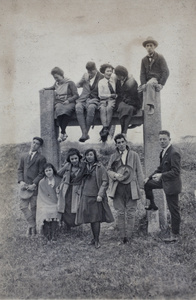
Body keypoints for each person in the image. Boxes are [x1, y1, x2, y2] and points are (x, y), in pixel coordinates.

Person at [144, 130, 182, 242]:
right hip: (164, 182)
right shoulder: (163, 152)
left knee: (173, 210)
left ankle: (175, 235)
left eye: (164, 139)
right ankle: (152, 205)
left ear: (169, 139)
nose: (162, 141)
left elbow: (176, 172)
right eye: (160, 139)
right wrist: (149, 177)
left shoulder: (174, 152)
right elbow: (160, 168)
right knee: (147, 184)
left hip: (172, 185)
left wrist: (161, 175)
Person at [107, 134, 144, 245]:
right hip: (118, 188)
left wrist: (141, 187)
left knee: (131, 213)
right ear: (116, 144)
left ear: (126, 142)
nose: (121, 144)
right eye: (118, 143)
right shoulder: (113, 157)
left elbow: (139, 172)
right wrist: (115, 175)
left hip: (131, 187)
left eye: (122, 142)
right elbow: (108, 170)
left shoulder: (134, 155)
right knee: (120, 213)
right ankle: (122, 237)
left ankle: (129, 237)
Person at [76, 149, 114, 249]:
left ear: (94, 156)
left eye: (91, 155)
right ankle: (93, 238)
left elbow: (105, 181)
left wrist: (100, 195)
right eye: (87, 155)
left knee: (96, 219)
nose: (89, 157)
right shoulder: (84, 167)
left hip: (96, 197)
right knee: (90, 218)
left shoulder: (100, 167)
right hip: (85, 196)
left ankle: (97, 240)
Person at [18, 137, 46, 236]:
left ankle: (32, 231)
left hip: (34, 187)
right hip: (24, 186)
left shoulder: (41, 158)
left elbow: (41, 173)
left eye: (37, 144)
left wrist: (34, 184)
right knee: (23, 206)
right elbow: (20, 169)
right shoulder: (23, 156)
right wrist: (21, 181)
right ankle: (32, 224)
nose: (34, 145)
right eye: (33, 142)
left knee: (34, 208)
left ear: (39, 146)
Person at [43, 67, 79, 142]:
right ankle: (63, 133)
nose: (56, 79)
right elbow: (52, 87)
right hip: (60, 102)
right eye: (54, 78)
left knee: (66, 111)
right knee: (58, 109)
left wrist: (68, 100)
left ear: (61, 75)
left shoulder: (70, 83)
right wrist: (45, 89)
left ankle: (62, 132)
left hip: (69, 102)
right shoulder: (56, 83)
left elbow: (76, 95)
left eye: (57, 77)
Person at [139, 37, 169, 114]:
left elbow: (166, 71)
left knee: (150, 84)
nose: (149, 47)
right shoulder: (144, 59)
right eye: (147, 46)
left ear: (154, 46)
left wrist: (161, 84)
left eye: (151, 45)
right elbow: (142, 73)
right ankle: (139, 111)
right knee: (138, 90)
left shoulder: (160, 57)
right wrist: (143, 84)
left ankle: (151, 105)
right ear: (145, 47)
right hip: (147, 80)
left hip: (156, 79)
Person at [75, 62, 104, 142]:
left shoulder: (102, 77)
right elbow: (77, 85)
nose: (89, 73)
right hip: (83, 99)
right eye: (88, 71)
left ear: (95, 69)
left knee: (91, 107)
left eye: (91, 71)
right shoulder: (85, 75)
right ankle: (85, 134)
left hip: (95, 99)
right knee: (78, 107)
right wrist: (83, 80)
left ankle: (85, 133)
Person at [57, 148, 85, 229]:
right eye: (72, 159)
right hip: (67, 188)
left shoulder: (83, 166)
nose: (74, 160)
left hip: (77, 189)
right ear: (69, 159)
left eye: (75, 158)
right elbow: (59, 173)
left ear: (79, 158)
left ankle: (76, 223)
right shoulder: (67, 165)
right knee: (66, 206)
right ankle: (66, 224)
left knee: (76, 206)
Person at [36, 163, 62, 241]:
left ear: (53, 170)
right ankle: (47, 235)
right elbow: (41, 195)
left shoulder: (59, 180)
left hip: (56, 202)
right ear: (44, 172)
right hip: (45, 203)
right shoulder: (41, 182)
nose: (48, 172)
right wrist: (45, 204)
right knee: (45, 212)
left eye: (50, 170)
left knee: (55, 210)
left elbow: (62, 193)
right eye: (46, 171)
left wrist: (58, 193)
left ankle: (54, 234)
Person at [114, 66, 142, 139]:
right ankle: (124, 132)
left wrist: (126, 100)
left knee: (129, 109)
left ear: (122, 75)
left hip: (132, 101)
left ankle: (124, 132)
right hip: (122, 101)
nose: (117, 77)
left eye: (118, 75)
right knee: (122, 107)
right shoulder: (118, 81)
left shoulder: (132, 82)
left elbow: (133, 95)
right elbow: (118, 92)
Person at [98, 63, 116, 142]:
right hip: (103, 99)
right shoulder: (101, 82)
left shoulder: (114, 81)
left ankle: (106, 128)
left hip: (112, 100)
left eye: (111, 71)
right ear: (103, 72)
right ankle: (105, 127)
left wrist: (112, 97)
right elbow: (101, 95)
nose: (109, 73)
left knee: (109, 108)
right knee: (102, 108)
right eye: (107, 71)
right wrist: (110, 95)